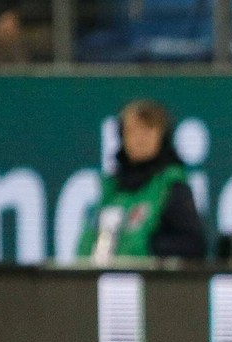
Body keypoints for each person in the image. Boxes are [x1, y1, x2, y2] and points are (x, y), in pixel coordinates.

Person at [78, 100, 206, 263]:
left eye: (148, 130)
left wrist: (147, 246)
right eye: (133, 131)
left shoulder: (171, 186)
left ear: (162, 136)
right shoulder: (111, 188)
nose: (140, 138)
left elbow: (193, 245)